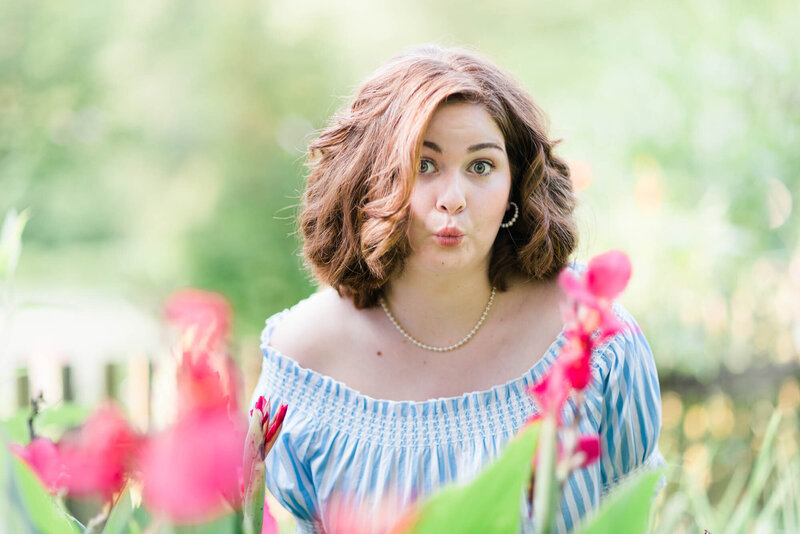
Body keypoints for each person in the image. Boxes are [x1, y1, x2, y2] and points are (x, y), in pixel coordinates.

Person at [250, 44, 664, 533]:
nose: (453, 199)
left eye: (481, 166)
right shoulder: (301, 360)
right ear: (367, 182)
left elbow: (637, 518)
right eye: (424, 165)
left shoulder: (593, 343)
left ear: (516, 184)